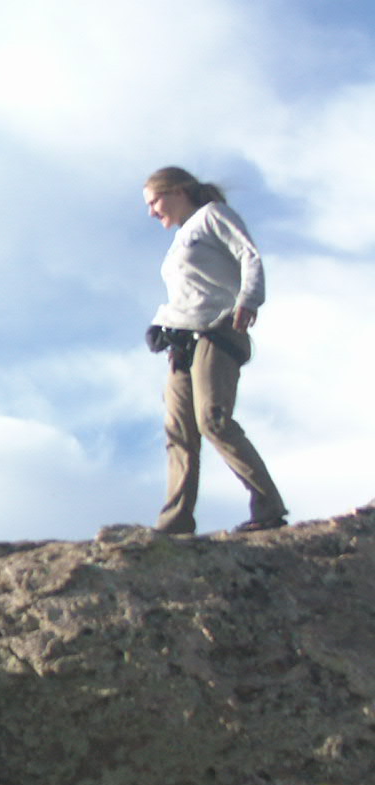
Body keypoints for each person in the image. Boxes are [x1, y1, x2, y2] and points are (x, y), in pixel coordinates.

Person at [142, 166, 287, 534]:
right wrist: (162, 323)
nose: (151, 212)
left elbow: (248, 255)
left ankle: (268, 507)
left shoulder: (212, 216)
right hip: (182, 341)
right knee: (179, 432)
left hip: (218, 330)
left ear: (177, 191)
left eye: (154, 202)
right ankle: (175, 522)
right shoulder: (179, 241)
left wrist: (249, 299)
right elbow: (189, 295)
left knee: (212, 420)